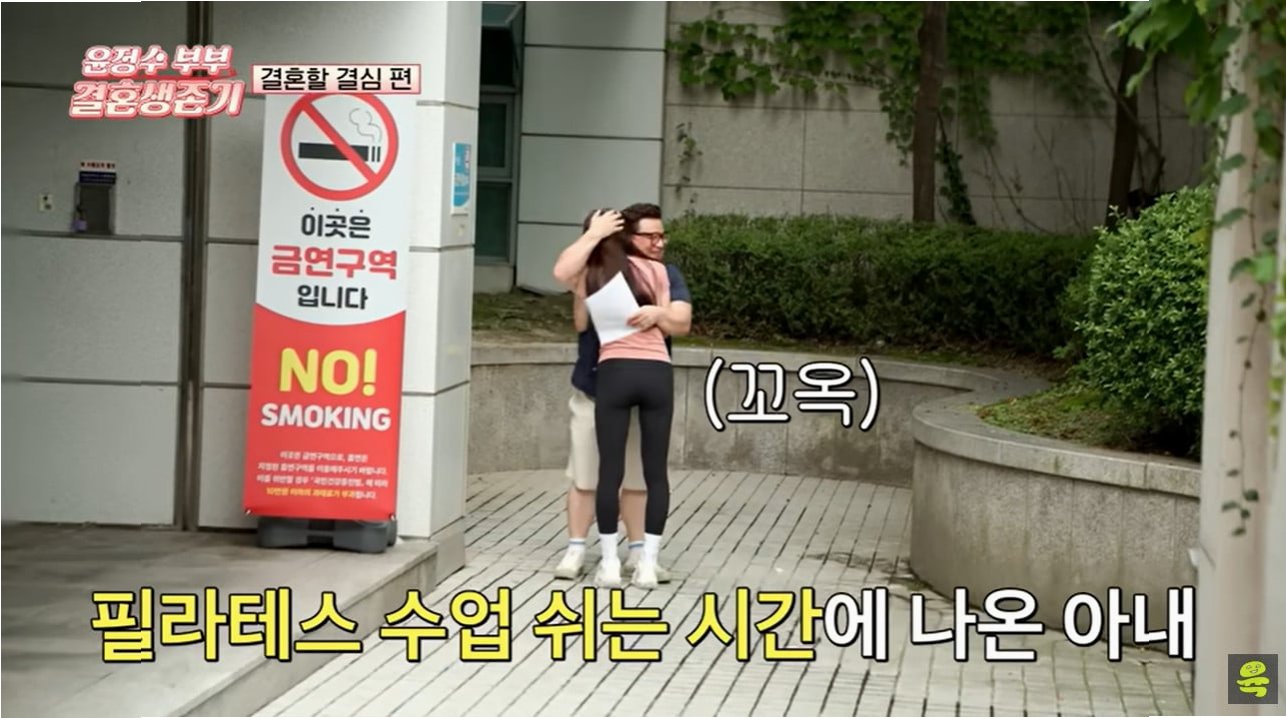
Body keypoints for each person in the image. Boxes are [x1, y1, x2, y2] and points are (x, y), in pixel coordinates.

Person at [553, 205, 692, 584]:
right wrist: (594, 234)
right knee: (587, 475)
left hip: (627, 379)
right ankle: (578, 549)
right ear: (628, 238)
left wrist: (657, 314)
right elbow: (570, 292)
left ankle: (630, 555)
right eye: (650, 236)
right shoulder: (600, 270)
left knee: (633, 479)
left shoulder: (662, 272)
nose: (659, 243)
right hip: (595, 385)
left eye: (662, 236)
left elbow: (681, 321)